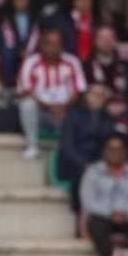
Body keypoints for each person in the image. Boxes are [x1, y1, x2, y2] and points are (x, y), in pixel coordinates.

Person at [16, 25, 89, 162]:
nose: (52, 48)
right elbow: (26, 92)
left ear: (62, 46)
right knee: (27, 105)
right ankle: (32, 146)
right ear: (42, 45)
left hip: (65, 113)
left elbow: (79, 91)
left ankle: (70, 151)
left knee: (80, 112)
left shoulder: (72, 62)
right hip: (41, 113)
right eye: (48, 44)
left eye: (57, 44)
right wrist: (50, 107)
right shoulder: (31, 62)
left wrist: (63, 107)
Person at [80, 132, 128, 256]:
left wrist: (126, 214)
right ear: (104, 151)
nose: (114, 153)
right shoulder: (93, 171)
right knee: (96, 226)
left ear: (125, 152)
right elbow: (88, 201)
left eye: (118, 149)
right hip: (103, 216)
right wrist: (110, 213)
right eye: (111, 149)